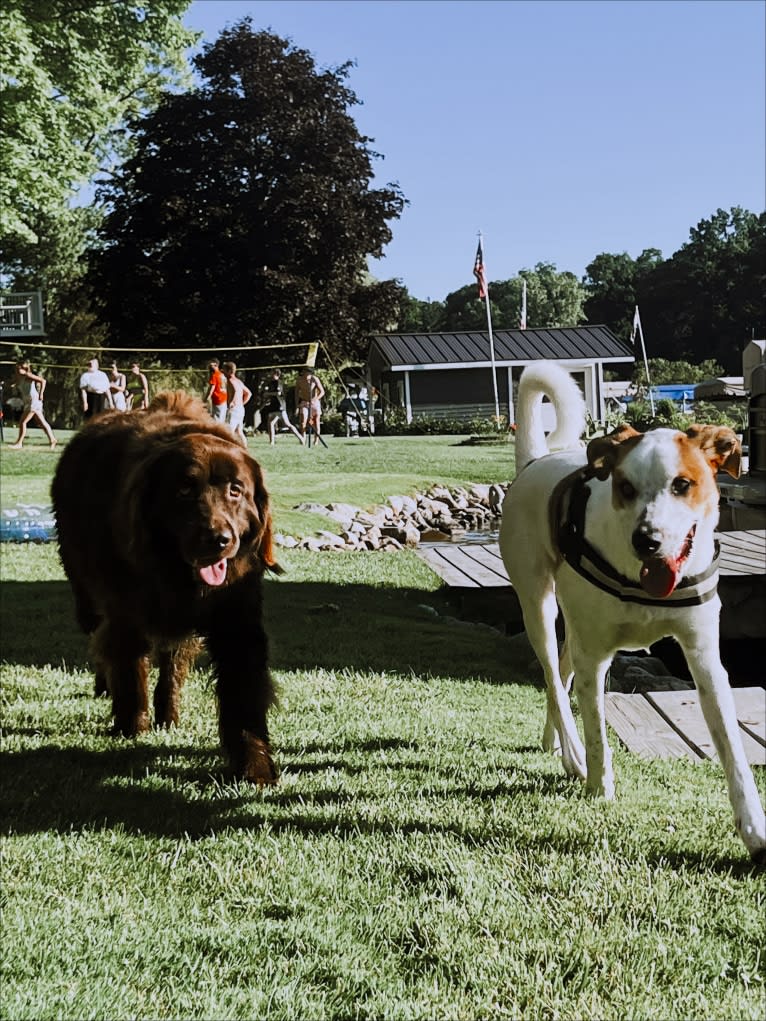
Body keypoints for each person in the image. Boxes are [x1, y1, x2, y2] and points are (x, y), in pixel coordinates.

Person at [9, 361, 57, 448]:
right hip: (28, 402)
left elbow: (43, 381)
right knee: (42, 423)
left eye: (19, 368)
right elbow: (13, 383)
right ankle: (52, 439)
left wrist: (41, 393)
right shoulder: (19, 378)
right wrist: (10, 384)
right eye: (16, 369)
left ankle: (19, 443)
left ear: (24, 368)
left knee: (22, 422)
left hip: (34, 401)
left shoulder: (28, 375)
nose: (17, 370)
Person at [260, 369, 304, 445]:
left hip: (280, 406)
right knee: (270, 423)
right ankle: (272, 442)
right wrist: (263, 403)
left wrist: (268, 394)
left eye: (272, 373)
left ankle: (301, 438)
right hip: (273, 406)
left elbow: (278, 393)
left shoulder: (279, 382)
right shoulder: (270, 383)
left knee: (288, 424)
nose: (270, 374)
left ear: (276, 374)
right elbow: (269, 395)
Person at [222, 361, 252, 441]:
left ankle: (229, 450)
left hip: (234, 410)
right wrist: (242, 403)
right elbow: (249, 393)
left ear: (229, 371)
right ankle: (245, 449)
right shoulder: (238, 381)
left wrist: (232, 402)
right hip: (240, 409)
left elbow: (235, 391)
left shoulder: (230, 380)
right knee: (239, 431)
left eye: (224, 370)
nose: (222, 371)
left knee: (229, 432)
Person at [295, 366, 325, 446]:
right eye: (305, 371)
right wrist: (297, 404)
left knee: (315, 422)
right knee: (303, 421)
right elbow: (297, 393)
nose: (306, 374)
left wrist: (315, 399)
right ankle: (303, 438)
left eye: (308, 372)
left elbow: (322, 392)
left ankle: (316, 440)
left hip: (314, 403)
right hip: (304, 402)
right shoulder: (299, 380)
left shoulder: (314, 379)